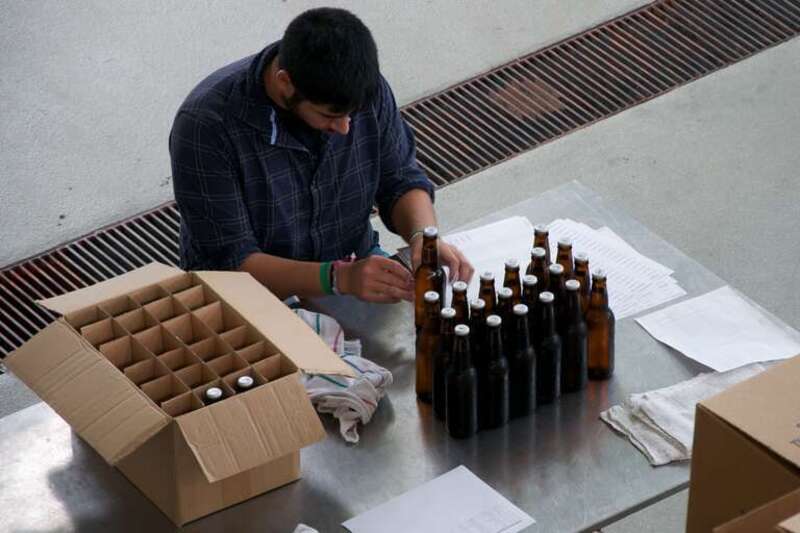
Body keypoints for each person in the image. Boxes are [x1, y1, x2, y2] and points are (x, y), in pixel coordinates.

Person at [170, 7, 473, 304]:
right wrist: (338, 279)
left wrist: (422, 236)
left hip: (352, 265)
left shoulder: (363, 90)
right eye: (330, 115)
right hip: (251, 299)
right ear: (284, 83)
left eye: (352, 115)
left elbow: (401, 179)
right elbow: (231, 263)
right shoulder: (206, 127)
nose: (344, 128)